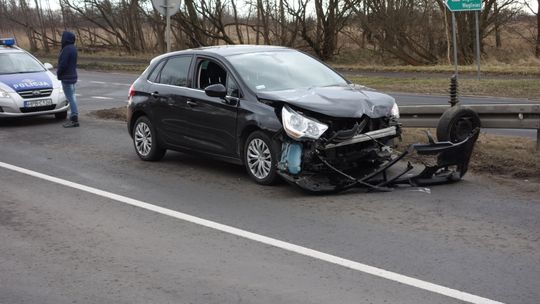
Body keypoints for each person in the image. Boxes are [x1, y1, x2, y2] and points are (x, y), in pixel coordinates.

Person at [57, 31, 79, 128]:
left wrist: (59, 73)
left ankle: (74, 118)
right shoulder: (73, 48)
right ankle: (73, 116)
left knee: (71, 98)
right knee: (73, 97)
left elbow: (63, 64)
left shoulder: (66, 49)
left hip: (67, 77)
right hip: (73, 76)